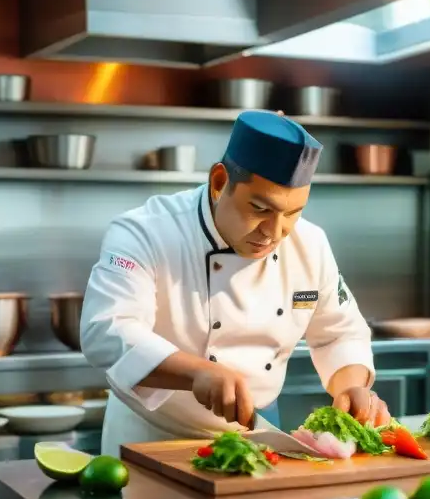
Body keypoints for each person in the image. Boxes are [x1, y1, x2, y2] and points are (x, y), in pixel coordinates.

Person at [80, 110, 390, 456]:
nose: (275, 233)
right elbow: (106, 330)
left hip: (255, 438)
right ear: (218, 182)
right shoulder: (146, 231)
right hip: (153, 439)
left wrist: (352, 387)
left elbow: (339, 332)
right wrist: (197, 373)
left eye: (292, 213)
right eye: (260, 209)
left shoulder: (311, 244)